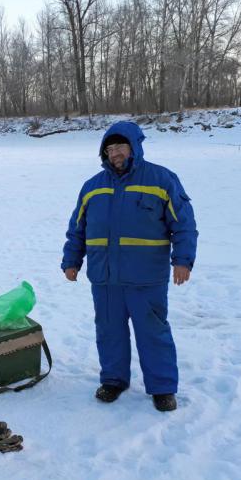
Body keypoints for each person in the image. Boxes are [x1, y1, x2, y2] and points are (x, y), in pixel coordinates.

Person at [61, 121, 197, 412]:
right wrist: (72, 260)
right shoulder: (92, 187)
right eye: (109, 149)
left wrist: (183, 260)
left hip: (146, 278)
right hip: (105, 278)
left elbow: (184, 225)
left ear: (135, 146)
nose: (115, 154)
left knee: (153, 333)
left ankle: (162, 387)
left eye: (120, 147)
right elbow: (78, 229)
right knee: (109, 331)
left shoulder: (161, 180)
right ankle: (113, 380)